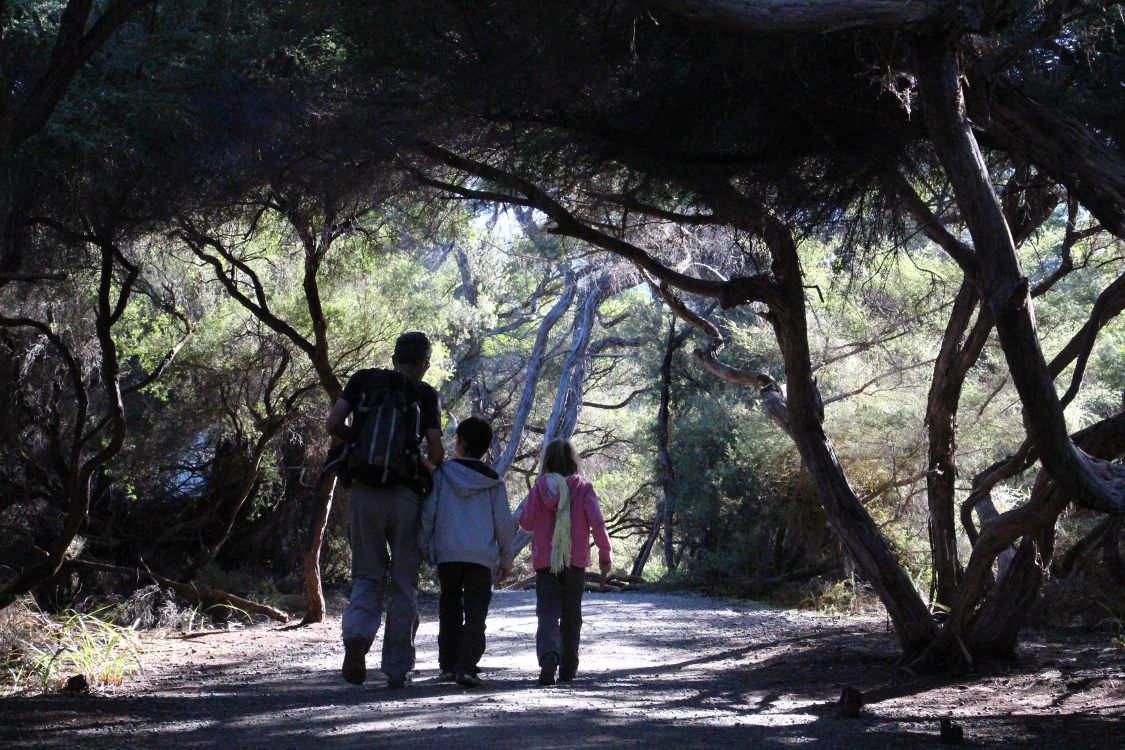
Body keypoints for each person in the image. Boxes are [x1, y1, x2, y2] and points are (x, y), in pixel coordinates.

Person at [326, 331, 443, 689]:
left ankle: (358, 637)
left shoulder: (363, 380)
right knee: (405, 583)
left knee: (366, 575)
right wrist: (420, 461)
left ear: (394, 357)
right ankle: (396, 667)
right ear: (424, 363)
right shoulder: (424, 393)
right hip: (404, 497)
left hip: (363, 493)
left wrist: (359, 442)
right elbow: (436, 452)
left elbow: (333, 425)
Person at [419, 416, 515, 688]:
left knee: (449, 607)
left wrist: (425, 544)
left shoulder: (443, 473)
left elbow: (429, 513)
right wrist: (505, 558)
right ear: (485, 448)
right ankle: (467, 668)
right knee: (476, 612)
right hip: (480, 558)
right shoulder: (493, 481)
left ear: (461, 443)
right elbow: (504, 524)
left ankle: (448, 666)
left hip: (448, 553)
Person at [519, 438, 612, 686]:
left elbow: (526, 523)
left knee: (547, 612)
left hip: (546, 564)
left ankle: (549, 656)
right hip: (575, 562)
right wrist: (605, 553)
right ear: (573, 461)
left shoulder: (539, 489)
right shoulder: (582, 488)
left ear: (547, 462)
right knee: (572, 615)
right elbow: (598, 524)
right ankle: (568, 667)